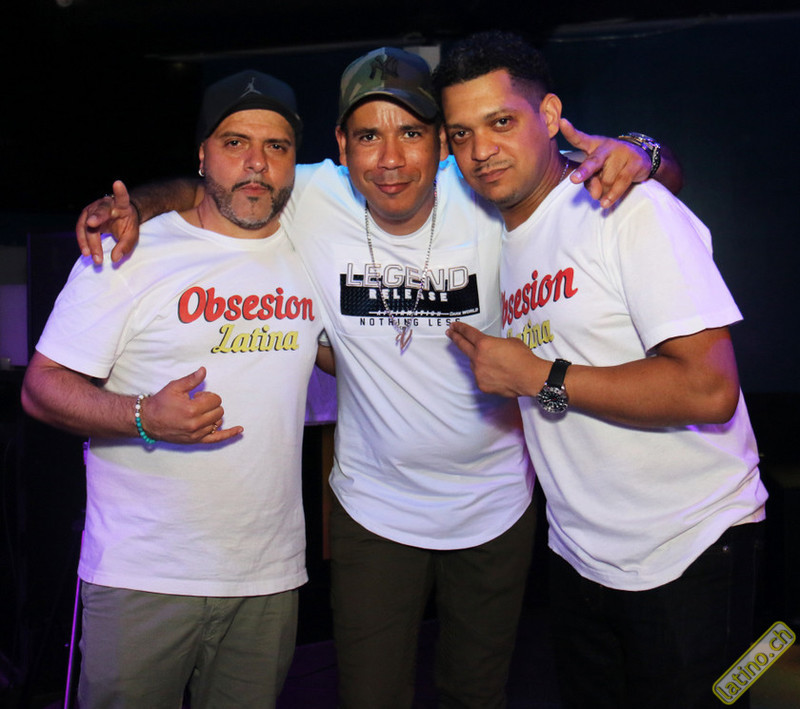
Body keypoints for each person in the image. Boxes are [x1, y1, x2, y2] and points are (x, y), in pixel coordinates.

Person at [73, 47, 683, 708]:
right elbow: (212, 187)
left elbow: (616, 174)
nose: (390, 159)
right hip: (373, 509)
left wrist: (646, 152)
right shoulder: (310, 195)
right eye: (368, 136)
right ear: (341, 145)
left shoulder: (484, 191)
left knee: (475, 695)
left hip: (495, 505)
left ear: (442, 143)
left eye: (412, 133)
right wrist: (134, 204)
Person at [435, 31, 767, 709]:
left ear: (550, 114)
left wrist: (539, 376)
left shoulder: (629, 209)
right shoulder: (501, 235)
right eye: (461, 133)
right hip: (581, 561)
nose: (481, 149)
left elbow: (709, 388)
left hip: (692, 548)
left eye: (501, 122)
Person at [21, 70, 326, 708]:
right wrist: (143, 415)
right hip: (143, 577)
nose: (256, 162)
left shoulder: (313, 253)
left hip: (267, 579)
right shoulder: (128, 250)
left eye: (276, 146)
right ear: (202, 154)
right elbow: (42, 387)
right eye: (235, 142)